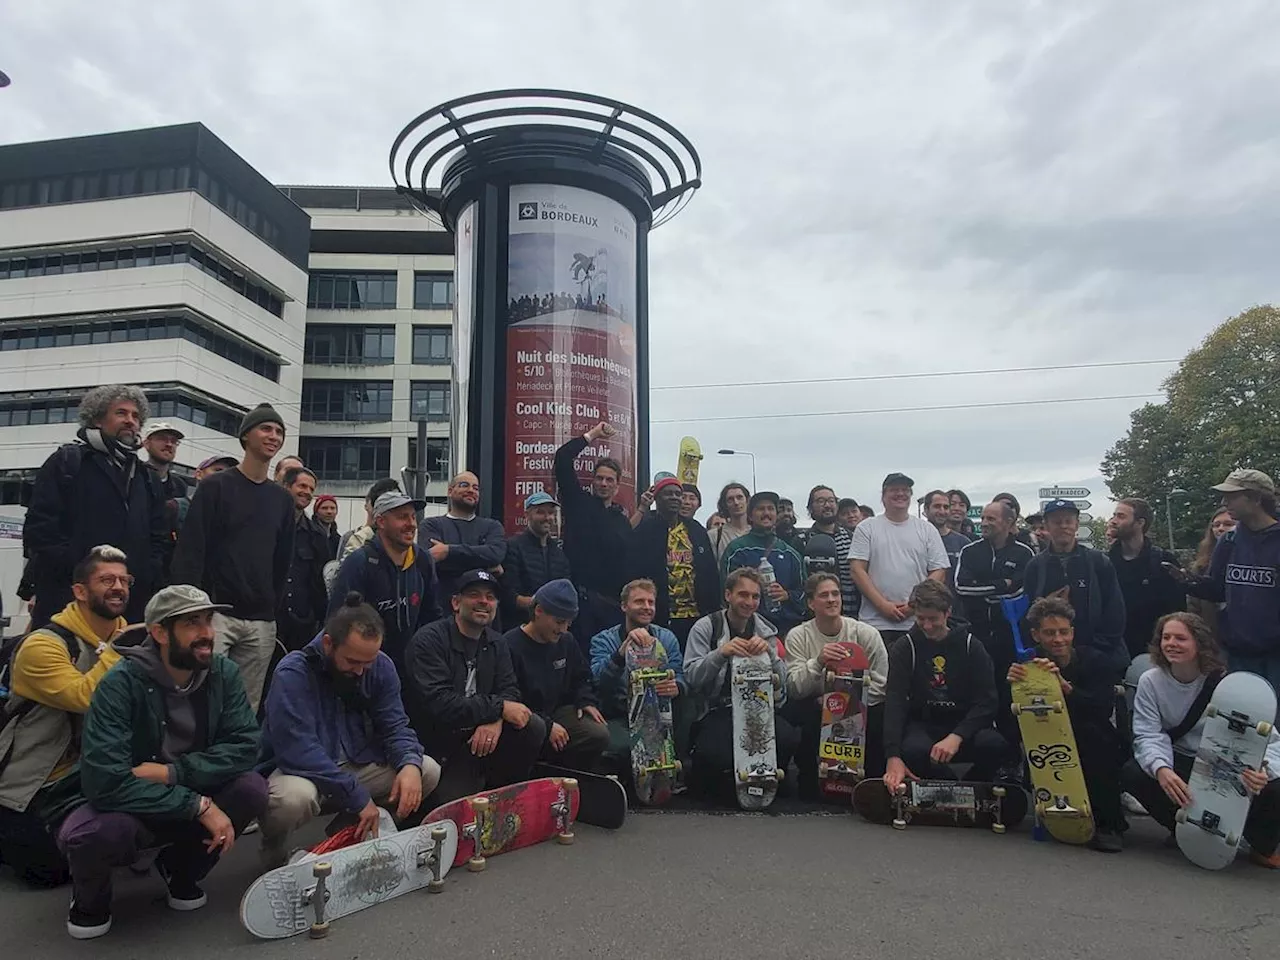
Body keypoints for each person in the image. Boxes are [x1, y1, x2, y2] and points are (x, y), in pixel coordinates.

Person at [58, 584, 267, 939]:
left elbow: (246, 746)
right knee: (94, 834)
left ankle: (180, 871)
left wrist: (176, 774)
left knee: (252, 789)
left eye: (208, 621)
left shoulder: (223, 673)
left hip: (181, 785)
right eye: (191, 624)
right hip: (130, 801)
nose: (206, 634)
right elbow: (104, 782)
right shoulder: (119, 684)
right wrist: (198, 806)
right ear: (159, 633)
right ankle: (90, 899)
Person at [257, 593, 442, 868]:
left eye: (368, 662)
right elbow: (298, 751)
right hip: (304, 770)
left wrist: (409, 763)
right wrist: (357, 796)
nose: (361, 671)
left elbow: (396, 725)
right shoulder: (293, 672)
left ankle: (348, 835)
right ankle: (273, 849)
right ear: (329, 644)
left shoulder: (379, 665)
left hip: (357, 761)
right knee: (292, 800)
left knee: (426, 770)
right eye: (353, 662)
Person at [0, 547, 128, 888]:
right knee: (48, 874)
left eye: (123, 580)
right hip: (36, 786)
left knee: (122, 841)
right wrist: (120, 649)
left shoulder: (126, 637)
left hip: (94, 776)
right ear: (80, 592)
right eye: (106, 579)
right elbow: (86, 697)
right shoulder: (43, 645)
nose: (118, 587)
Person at [1122, 611, 1280, 867]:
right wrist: (1161, 768)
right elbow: (1148, 732)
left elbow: (1272, 741)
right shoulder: (1150, 681)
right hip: (1181, 760)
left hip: (1225, 763)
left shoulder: (1227, 685)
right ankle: (1183, 829)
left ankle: (1261, 845)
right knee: (1135, 772)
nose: (1171, 643)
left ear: (1199, 643)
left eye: (1180, 638)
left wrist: (1264, 769)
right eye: (1166, 637)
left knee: (1274, 786)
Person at [170, 402, 295, 711]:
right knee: (199, 699)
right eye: (266, 428)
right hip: (216, 615)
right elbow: (192, 550)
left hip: (261, 622)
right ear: (245, 437)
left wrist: (270, 607)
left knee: (244, 707)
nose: (273, 436)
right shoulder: (215, 487)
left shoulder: (281, 499)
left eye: (279, 431)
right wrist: (193, 611)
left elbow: (282, 561)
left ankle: (236, 760)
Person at [23, 384, 167, 626]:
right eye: (121, 413)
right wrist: (82, 570)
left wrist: (142, 573)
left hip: (128, 606)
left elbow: (158, 536)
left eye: (135, 416)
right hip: (68, 600)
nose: (131, 421)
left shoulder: (146, 476)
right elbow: (40, 529)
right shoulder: (67, 462)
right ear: (97, 419)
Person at [405, 571, 544, 803]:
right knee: (448, 810)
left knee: (532, 725)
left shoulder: (497, 642)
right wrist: (499, 708)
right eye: (474, 595)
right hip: (440, 745)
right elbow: (440, 704)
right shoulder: (429, 641)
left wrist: (495, 720)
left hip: (480, 736)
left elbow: (510, 690)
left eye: (490, 597)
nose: (483, 601)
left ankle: (506, 796)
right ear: (456, 603)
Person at [1008, 597, 1127, 852]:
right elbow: (1014, 714)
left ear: (1072, 632)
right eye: (1049, 633)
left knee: (1096, 740)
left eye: (1063, 632)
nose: (1058, 639)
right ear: (1036, 635)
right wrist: (1016, 686)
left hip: (1092, 738)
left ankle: (1109, 824)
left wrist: (1066, 688)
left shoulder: (1096, 660)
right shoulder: (1029, 663)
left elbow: (1103, 708)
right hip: (1048, 737)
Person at [882, 580, 1011, 791]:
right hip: (924, 723)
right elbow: (895, 701)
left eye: (933, 619)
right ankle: (949, 785)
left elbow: (987, 702)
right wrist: (892, 755)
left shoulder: (972, 647)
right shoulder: (905, 647)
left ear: (948, 612)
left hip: (965, 723)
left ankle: (974, 785)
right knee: (913, 751)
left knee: (994, 745)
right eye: (920, 619)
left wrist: (957, 736)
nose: (926, 626)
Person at [684, 568, 798, 800]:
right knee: (716, 754)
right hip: (717, 710)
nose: (749, 602)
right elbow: (692, 677)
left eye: (755, 597)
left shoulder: (766, 632)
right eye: (743, 595)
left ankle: (769, 782)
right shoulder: (706, 627)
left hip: (758, 711)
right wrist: (720, 654)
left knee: (788, 737)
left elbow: (782, 684)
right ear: (728, 595)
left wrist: (770, 655)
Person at [783, 572, 888, 796]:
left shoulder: (866, 634)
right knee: (803, 715)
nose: (832, 599)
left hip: (861, 708)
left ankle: (871, 782)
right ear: (811, 603)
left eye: (835, 593)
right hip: (815, 706)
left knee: (881, 717)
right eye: (824, 595)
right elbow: (794, 688)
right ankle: (812, 783)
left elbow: (882, 684)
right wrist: (819, 662)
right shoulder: (797, 636)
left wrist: (844, 700)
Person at [1175, 470, 1280, 694]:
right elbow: (1217, 589)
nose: (1225, 502)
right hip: (1238, 655)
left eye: (1232, 496)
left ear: (1256, 498)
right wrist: (1189, 582)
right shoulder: (1229, 541)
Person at [328, 491, 442, 678]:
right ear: (381, 522)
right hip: (365, 669)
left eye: (413, 517)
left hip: (413, 669)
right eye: (402, 517)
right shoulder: (359, 562)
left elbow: (432, 615)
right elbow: (337, 621)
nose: (411, 524)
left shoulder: (423, 561)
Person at [503, 580, 608, 769]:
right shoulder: (509, 645)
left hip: (556, 712)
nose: (563, 629)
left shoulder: (566, 641)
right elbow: (509, 698)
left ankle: (571, 777)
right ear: (538, 611)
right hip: (525, 720)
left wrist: (585, 700)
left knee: (597, 733)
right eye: (559, 622)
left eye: (568, 623)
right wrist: (547, 725)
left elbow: (581, 676)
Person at [954, 500, 1036, 741]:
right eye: (984, 518)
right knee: (976, 696)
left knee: (1008, 698)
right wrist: (1001, 585)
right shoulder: (970, 551)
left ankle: (1011, 758)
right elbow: (961, 588)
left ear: (1009, 523)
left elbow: (1020, 593)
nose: (984, 523)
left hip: (1010, 639)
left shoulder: (1024, 553)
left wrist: (988, 590)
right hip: (975, 635)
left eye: (991, 519)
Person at [589, 579, 688, 772]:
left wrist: (677, 685)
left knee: (688, 705)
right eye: (639, 602)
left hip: (658, 714)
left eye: (651, 602)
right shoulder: (603, 640)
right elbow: (596, 681)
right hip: (619, 714)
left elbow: (680, 674)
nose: (647, 607)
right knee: (626, 751)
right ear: (624, 606)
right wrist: (619, 656)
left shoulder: (666, 638)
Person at [1023, 499, 1128, 679]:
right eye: (1057, 522)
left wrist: (1094, 652)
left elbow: (1115, 612)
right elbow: (1027, 617)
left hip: (1097, 658)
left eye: (1068, 521)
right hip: (1051, 661)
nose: (1063, 526)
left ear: (1076, 524)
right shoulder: (1035, 566)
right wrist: (1044, 605)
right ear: (1047, 525)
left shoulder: (1099, 562)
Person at [554, 423, 634, 651]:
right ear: (593, 481)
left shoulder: (621, 520)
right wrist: (594, 434)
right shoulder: (578, 503)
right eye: (599, 478)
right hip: (581, 602)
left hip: (612, 608)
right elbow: (562, 458)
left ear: (617, 486)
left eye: (609, 480)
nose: (603, 483)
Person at [848, 473, 950, 649]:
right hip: (874, 624)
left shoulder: (927, 530)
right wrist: (883, 606)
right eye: (894, 490)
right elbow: (857, 570)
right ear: (883, 496)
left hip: (919, 623)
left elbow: (939, 571)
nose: (900, 494)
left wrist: (914, 605)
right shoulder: (866, 528)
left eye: (905, 490)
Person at [626, 476, 720, 651]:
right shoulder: (645, 530)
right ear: (657, 498)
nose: (675, 498)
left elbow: (711, 572)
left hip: (697, 615)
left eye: (678, 494)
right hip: (660, 616)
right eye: (668, 494)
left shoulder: (696, 530)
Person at [1106, 497, 1185, 660]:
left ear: (1140, 523)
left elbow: (1178, 612)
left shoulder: (1163, 561)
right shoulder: (1105, 563)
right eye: (1114, 515)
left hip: (1156, 652)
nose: (1113, 521)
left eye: (1121, 516)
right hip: (1115, 651)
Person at [419, 472, 508, 615]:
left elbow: (496, 554)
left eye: (476, 487)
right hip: (442, 610)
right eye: (464, 485)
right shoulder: (431, 525)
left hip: (482, 611)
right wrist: (482, 563)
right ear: (450, 491)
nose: (471, 490)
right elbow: (432, 561)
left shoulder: (492, 526)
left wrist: (448, 551)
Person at [721, 491, 806, 638]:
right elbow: (725, 591)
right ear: (750, 515)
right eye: (761, 509)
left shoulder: (791, 553)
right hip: (747, 631)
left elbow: (805, 593)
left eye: (771, 509)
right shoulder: (736, 550)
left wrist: (787, 595)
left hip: (786, 630)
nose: (766, 513)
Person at [277, 467, 331, 656]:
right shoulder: (266, 525)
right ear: (285, 486)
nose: (307, 492)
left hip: (302, 626)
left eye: (311, 489)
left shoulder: (317, 535)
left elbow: (320, 584)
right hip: (269, 620)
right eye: (302, 486)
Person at [504, 491, 573, 625]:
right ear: (527, 515)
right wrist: (542, 604)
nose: (547, 517)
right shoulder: (513, 547)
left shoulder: (559, 553)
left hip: (552, 628)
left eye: (551, 512)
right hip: (521, 626)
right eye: (540, 512)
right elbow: (509, 595)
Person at [796, 485, 859, 620]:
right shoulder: (801, 541)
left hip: (851, 614)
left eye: (831, 500)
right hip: (815, 617)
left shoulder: (851, 538)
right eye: (820, 501)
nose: (827, 505)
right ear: (810, 508)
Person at [141, 421, 189, 584]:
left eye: (173, 441)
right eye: (162, 438)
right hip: (142, 559)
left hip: (169, 565)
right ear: (146, 444)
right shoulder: (135, 476)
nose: (169, 444)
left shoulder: (179, 485)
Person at [1185, 508, 1236, 637]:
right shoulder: (1201, 566)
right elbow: (1193, 607)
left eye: (1228, 524)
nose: (1220, 528)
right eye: (1216, 525)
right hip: (1211, 637)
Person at [337, 477, 402, 563]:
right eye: (383, 500)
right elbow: (341, 572)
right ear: (369, 503)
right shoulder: (352, 538)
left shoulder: (402, 539)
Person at [924, 489, 972, 584]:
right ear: (926, 509)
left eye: (946, 507)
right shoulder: (916, 539)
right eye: (937, 506)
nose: (942, 511)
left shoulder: (964, 542)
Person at [709, 482, 751, 562]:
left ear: (747, 501)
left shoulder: (757, 532)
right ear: (725, 505)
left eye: (740, 497)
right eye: (730, 499)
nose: (736, 502)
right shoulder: (715, 536)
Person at [312, 494, 340, 560]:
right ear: (316, 512)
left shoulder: (338, 539)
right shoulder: (307, 534)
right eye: (324, 508)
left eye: (332, 508)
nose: (329, 511)